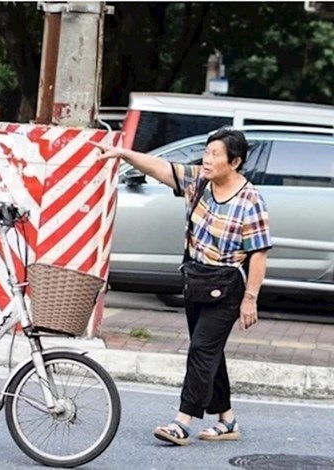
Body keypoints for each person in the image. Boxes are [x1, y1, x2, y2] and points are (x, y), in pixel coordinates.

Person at [95, 127, 272, 446]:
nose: (207, 159)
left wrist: (250, 298)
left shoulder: (250, 200)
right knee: (209, 351)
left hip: (228, 284)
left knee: (202, 349)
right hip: (196, 279)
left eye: (215, 154)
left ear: (235, 162)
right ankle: (227, 420)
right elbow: (161, 169)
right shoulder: (200, 181)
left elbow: (259, 253)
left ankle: (182, 420)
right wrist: (124, 154)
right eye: (206, 152)